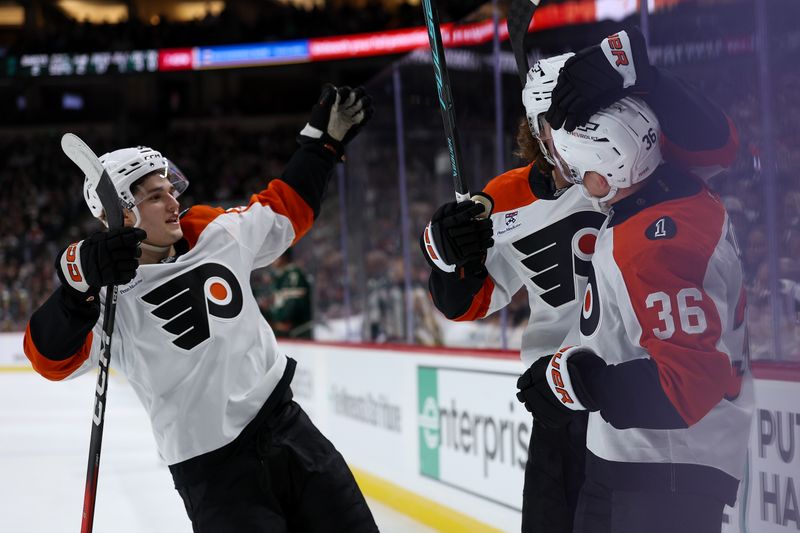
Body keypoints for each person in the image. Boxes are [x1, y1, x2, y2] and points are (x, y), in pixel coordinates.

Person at [420, 28, 739, 533]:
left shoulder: (632, 163)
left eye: (588, 116)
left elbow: (719, 144)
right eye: (557, 123)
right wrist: (446, 255)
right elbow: (467, 304)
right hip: (562, 403)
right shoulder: (505, 197)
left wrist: (649, 78)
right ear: (535, 128)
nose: (575, 132)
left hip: (639, 390)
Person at [23, 84, 379, 533]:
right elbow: (47, 360)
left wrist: (322, 146)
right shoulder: (106, 292)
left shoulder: (213, 232)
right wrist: (76, 290)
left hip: (291, 432)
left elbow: (284, 211)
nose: (174, 202)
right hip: (215, 476)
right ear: (122, 212)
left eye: (170, 190)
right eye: (156, 196)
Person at [515, 94, 753, 533]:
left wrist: (585, 384)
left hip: (665, 471)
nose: (574, 178)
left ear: (609, 169)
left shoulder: (654, 242)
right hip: (628, 457)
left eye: (579, 167)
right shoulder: (661, 202)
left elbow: (688, 382)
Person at [264, 248, 313, 339]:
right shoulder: (281, 275)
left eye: (275, 257)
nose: (272, 261)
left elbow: (295, 301)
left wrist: (284, 320)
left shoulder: (293, 274)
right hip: (285, 328)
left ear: (284, 257)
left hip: (298, 331)